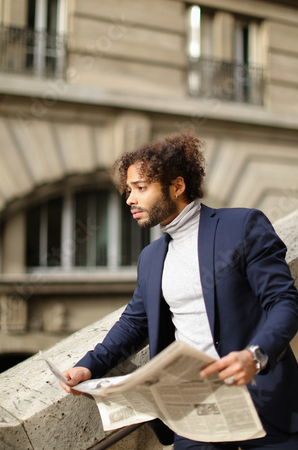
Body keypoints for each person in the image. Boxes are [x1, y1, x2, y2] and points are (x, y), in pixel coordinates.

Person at [60, 132, 298, 449]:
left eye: (141, 188)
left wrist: (255, 356)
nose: (130, 199)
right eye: (129, 190)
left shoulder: (242, 226)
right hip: (193, 415)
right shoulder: (151, 257)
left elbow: (284, 303)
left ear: (177, 186)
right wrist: (88, 366)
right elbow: (135, 322)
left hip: (263, 405)